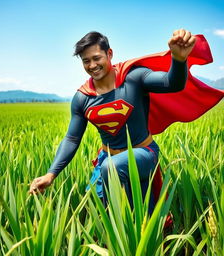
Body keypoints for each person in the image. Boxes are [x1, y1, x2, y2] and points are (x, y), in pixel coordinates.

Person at [29, 29, 222, 212]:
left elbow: (171, 83)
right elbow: (72, 139)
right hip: (107, 158)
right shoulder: (83, 98)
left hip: (143, 153)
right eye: (86, 61)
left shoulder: (133, 77)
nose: (92, 65)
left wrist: (178, 60)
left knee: (121, 186)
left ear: (109, 54)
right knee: (102, 208)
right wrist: (51, 173)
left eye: (97, 58)